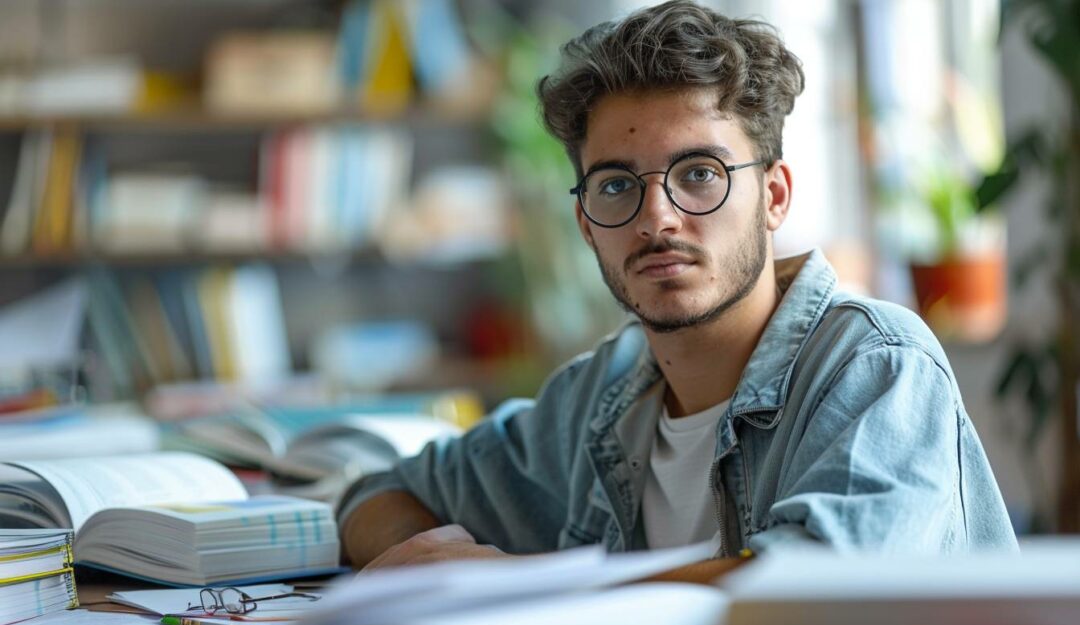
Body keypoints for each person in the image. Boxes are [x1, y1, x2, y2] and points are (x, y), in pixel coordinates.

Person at [338, 0, 1017, 581]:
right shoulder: (596, 399)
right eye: (615, 186)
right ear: (585, 223)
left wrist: (526, 584)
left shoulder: (874, 365)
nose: (656, 217)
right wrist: (437, 565)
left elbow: (820, 592)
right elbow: (377, 496)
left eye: (698, 173)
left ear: (772, 196)